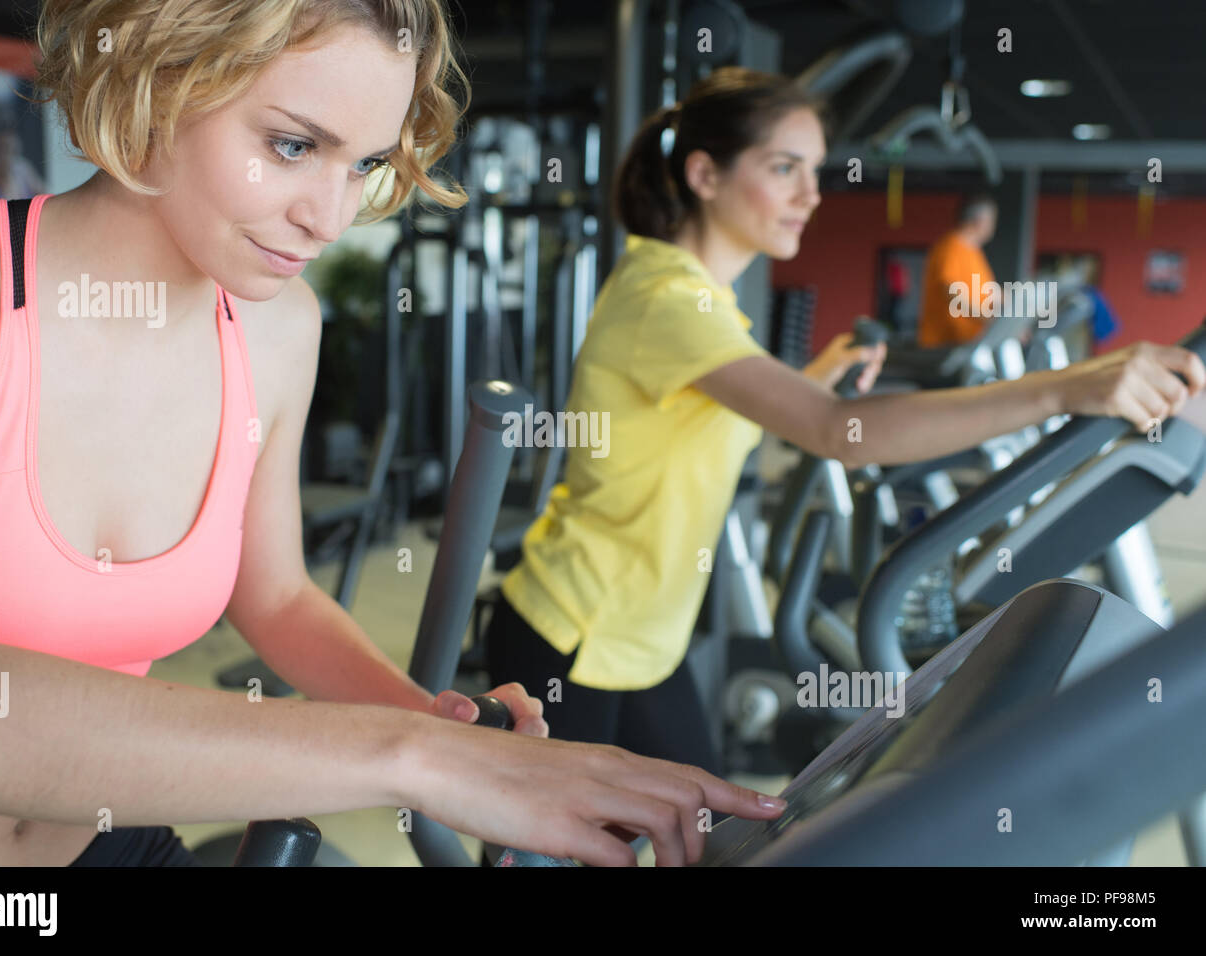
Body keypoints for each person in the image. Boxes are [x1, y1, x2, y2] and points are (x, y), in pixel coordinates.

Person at [0, 0, 791, 869]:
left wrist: (439, 727)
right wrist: (415, 759)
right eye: (292, 145)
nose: (328, 219)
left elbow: (278, 596)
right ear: (156, 80)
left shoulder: (279, 327)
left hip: (104, 840)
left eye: (363, 162)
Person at [484, 68, 1205, 775]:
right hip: (575, 635)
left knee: (703, 840)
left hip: (642, 641)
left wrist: (812, 375)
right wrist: (1061, 390)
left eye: (816, 170)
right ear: (705, 175)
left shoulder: (695, 295)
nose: (810, 194)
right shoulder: (670, 300)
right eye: (785, 168)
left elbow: (705, 418)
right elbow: (836, 432)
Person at [916, 192, 998, 347]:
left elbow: (990, 292)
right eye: (992, 220)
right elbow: (951, 292)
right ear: (980, 221)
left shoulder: (974, 252)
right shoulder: (951, 248)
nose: (993, 226)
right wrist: (987, 318)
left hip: (970, 344)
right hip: (946, 347)